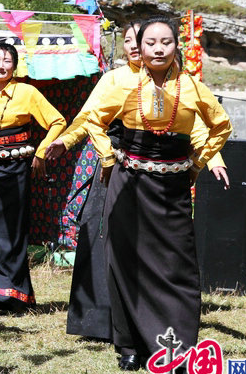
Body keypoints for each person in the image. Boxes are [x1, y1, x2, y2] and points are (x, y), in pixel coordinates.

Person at [45, 23, 229, 341]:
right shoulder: (114, 79)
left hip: (166, 174)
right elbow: (88, 117)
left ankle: (153, 323)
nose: (136, 46)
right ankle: (100, 321)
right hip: (114, 166)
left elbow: (197, 127)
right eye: (133, 41)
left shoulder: (181, 84)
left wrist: (211, 160)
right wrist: (67, 140)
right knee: (102, 237)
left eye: (160, 41)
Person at [0, 43, 66, 315]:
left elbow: (57, 121)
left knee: (11, 230)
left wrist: (42, 152)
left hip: (15, 169)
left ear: (15, 66)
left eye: (7, 60)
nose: (1, 65)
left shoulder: (27, 92)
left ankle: (14, 295)